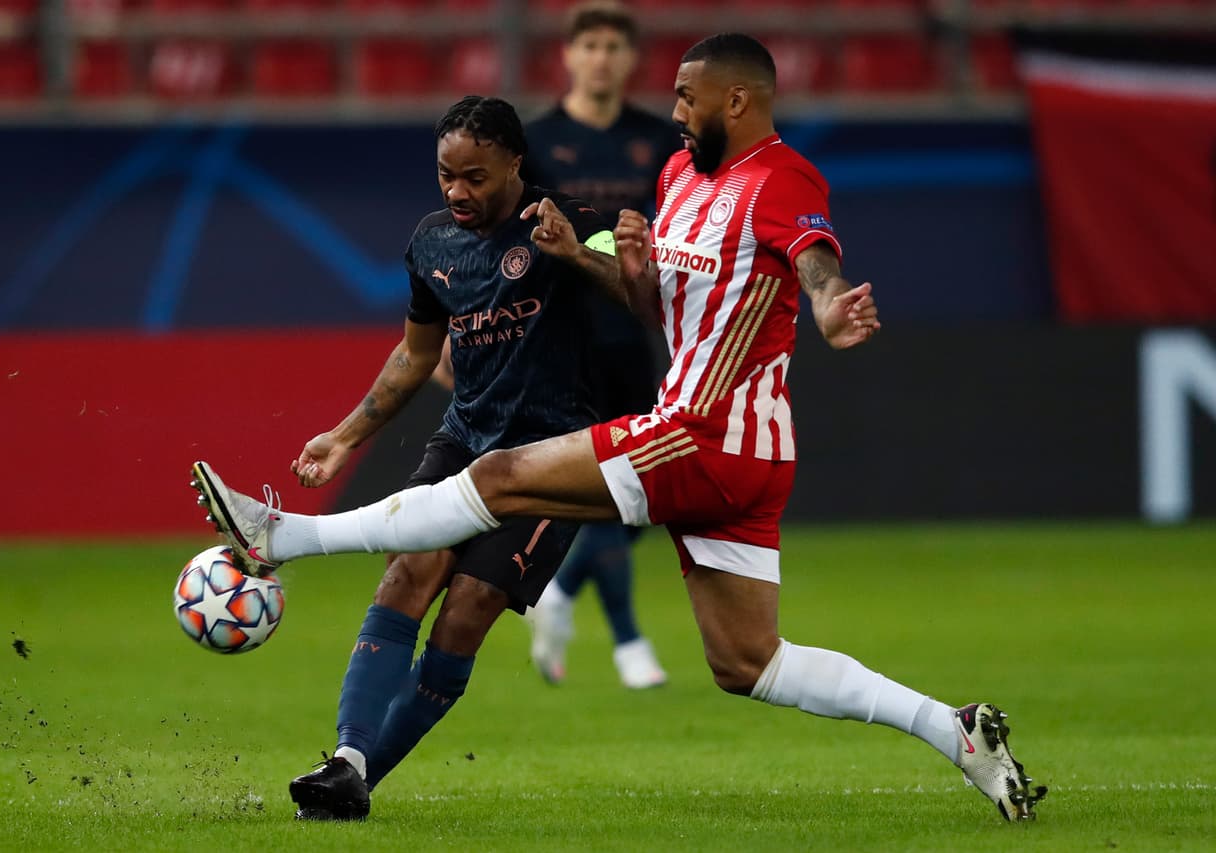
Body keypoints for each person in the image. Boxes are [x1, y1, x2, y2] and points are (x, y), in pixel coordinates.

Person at [192, 35, 1046, 822]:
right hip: (736, 457)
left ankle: (284, 535)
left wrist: (828, 304)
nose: (672, 111)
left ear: (738, 100)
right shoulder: (678, 178)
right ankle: (955, 730)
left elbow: (814, 259)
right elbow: (655, 310)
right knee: (748, 663)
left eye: (686, 95)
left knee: (496, 480)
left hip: (704, 431)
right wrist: (622, 266)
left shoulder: (783, 178)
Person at [192, 95, 624, 821]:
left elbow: (644, 296)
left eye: (476, 176)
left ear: (516, 164)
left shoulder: (573, 222)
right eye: (446, 175)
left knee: (467, 611)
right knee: (408, 570)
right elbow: (417, 352)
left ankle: (361, 776)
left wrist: (579, 255)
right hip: (466, 438)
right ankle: (347, 760)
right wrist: (344, 435)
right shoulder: (431, 243)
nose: (458, 191)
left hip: (556, 456)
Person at [521, 0, 680, 689]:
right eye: (591, 45)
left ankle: (557, 593)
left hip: (632, 331)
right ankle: (629, 642)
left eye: (616, 46)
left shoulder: (659, 140)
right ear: (569, 55)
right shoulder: (536, 140)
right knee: (612, 487)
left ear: (629, 59)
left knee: (640, 494)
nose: (603, 57)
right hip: (561, 337)